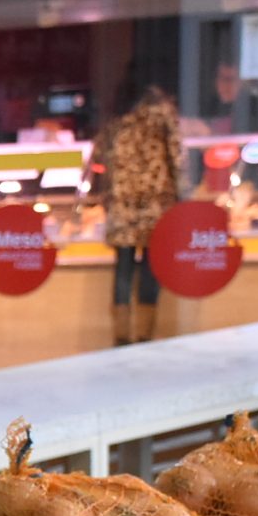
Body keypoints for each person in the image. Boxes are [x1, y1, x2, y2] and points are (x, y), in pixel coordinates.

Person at [90, 82, 183, 347]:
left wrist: (104, 196)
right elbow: (177, 157)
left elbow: (99, 156)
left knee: (124, 268)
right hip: (155, 201)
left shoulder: (116, 113)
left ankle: (121, 335)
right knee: (151, 269)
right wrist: (182, 197)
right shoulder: (162, 110)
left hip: (122, 202)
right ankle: (145, 333)